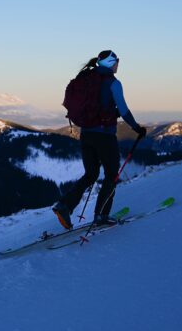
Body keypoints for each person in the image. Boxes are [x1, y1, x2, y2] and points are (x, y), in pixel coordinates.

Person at [52, 50, 146, 229]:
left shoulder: (88, 78)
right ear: (111, 63)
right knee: (111, 175)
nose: (119, 64)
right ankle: (101, 216)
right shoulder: (113, 83)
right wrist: (137, 128)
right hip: (104, 136)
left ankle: (64, 205)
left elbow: (101, 106)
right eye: (117, 61)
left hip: (86, 134)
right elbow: (124, 110)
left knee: (91, 174)